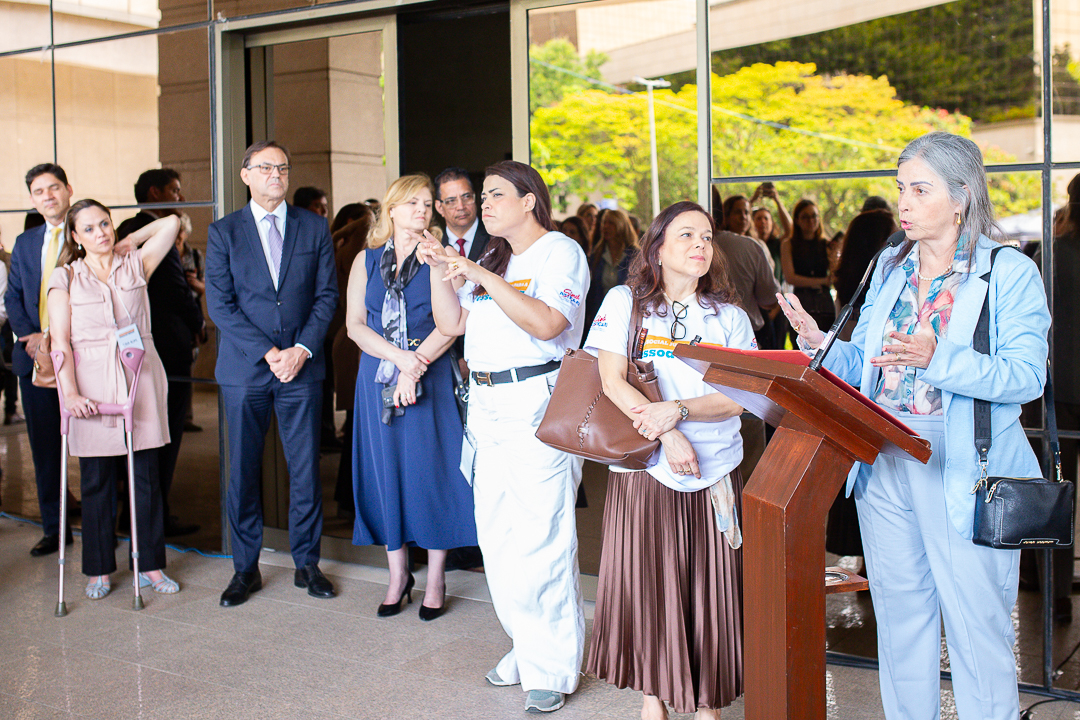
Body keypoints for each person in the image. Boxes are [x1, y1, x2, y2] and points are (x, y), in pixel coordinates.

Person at [778, 131, 1050, 719]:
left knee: (977, 630)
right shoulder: (890, 269)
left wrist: (939, 360)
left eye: (919, 189)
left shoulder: (1008, 274)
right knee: (901, 623)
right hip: (883, 459)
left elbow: (1026, 377)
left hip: (963, 468)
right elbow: (869, 369)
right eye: (901, 187)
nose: (903, 202)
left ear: (961, 197)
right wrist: (820, 343)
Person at [417, 160, 590, 714]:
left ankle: (552, 666)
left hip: (536, 402)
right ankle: (526, 644)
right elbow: (451, 325)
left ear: (529, 201)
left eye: (494, 195)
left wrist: (480, 274)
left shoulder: (559, 252)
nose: (483, 204)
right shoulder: (494, 257)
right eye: (482, 196)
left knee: (542, 536)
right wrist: (438, 269)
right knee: (498, 537)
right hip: (486, 406)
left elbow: (548, 325)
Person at [584, 200, 751, 720]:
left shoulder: (729, 317)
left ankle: (707, 708)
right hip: (647, 469)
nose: (701, 245)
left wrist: (676, 412)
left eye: (707, 237)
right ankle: (652, 703)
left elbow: (740, 397)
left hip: (716, 471)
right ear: (657, 248)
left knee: (710, 592)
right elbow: (611, 381)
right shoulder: (624, 303)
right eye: (686, 236)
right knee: (649, 587)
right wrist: (666, 436)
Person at [206, 140, 339, 607]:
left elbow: (326, 296)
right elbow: (220, 306)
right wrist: (269, 352)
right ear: (245, 175)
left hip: (302, 368)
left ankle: (307, 564)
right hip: (246, 372)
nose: (275, 176)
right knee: (241, 472)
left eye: (282, 167)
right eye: (265, 168)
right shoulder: (224, 232)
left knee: (305, 471)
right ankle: (245, 569)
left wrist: (301, 349)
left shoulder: (314, 227)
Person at [346, 173, 477, 621]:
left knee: (431, 474)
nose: (421, 210)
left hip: (431, 374)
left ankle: (436, 578)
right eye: (412, 203)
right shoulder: (364, 261)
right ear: (392, 210)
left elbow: (454, 322)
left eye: (427, 204)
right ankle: (398, 575)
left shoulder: (444, 256)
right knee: (387, 474)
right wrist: (400, 361)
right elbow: (355, 326)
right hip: (378, 374)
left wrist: (414, 365)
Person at [48, 200, 182, 599]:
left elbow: (172, 223)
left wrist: (127, 241)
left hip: (139, 375)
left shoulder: (136, 264)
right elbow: (60, 342)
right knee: (97, 480)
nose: (100, 233)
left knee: (146, 476)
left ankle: (151, 566)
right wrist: (69, 392)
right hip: (91, 383)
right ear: (74, 237)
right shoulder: (65, 277)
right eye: (88, 229)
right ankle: (98, 570)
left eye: (104, 224)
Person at [117, 168, 205, 538]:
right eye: (175, 190)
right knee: (161, 437)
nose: (182, 198)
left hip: (148, 344)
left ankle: (137, 513)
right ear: (154, 193)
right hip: (164, 346)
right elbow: (173, 291)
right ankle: (152, 515)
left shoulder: (130, 230)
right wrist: (198, 324)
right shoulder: (149, 233)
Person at [5, 164, 74, 556]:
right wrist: (30, 336)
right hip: (35, 357)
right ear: (32, 199)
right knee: (45, 447)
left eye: (53, 188)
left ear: (68, 189)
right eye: (38, 191)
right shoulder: (26, 242)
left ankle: (107, 521)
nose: (47, 196)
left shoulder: (87, 230)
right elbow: (13, 295)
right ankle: (55, 528)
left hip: (81, 354)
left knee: (98, 443)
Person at [1029, 173, 1080, 623]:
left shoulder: (1053, 254)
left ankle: (1056, 592)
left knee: (1058, 495)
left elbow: (1035, 328)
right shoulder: (1053, 253)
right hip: (1062, 388)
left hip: (1060, 386)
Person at [330, 203, 375, 519]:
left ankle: (347, 497)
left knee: (355, 426)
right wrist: (367, 219)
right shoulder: (355, 248)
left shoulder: (339, 245)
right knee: (359, 427)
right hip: (354, 343)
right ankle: (351, 498)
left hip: (347, 342)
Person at [781, 198, 835, 345]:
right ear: (797, 220)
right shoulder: (788, 244)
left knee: (826, 345)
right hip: (802, 302)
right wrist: (822, 281)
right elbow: (791, 277)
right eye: (805, 217)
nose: (811, 220)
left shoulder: (827, 244)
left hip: (824, 303)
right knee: (801, 346)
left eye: (814, 216)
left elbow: (835, 275)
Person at [584, 207, 637, 332]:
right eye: (604, 223)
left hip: (626, 315)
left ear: (621, 226)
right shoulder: (597, 254)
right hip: (600, 315)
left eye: (611, 223)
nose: (605, 227)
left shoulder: (634, 256)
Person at [434, 167, 491, 263]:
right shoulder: (435, 245)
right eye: (451, 201)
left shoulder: (495, 238)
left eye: (466, 197)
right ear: (439, 207)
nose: (461, 206)